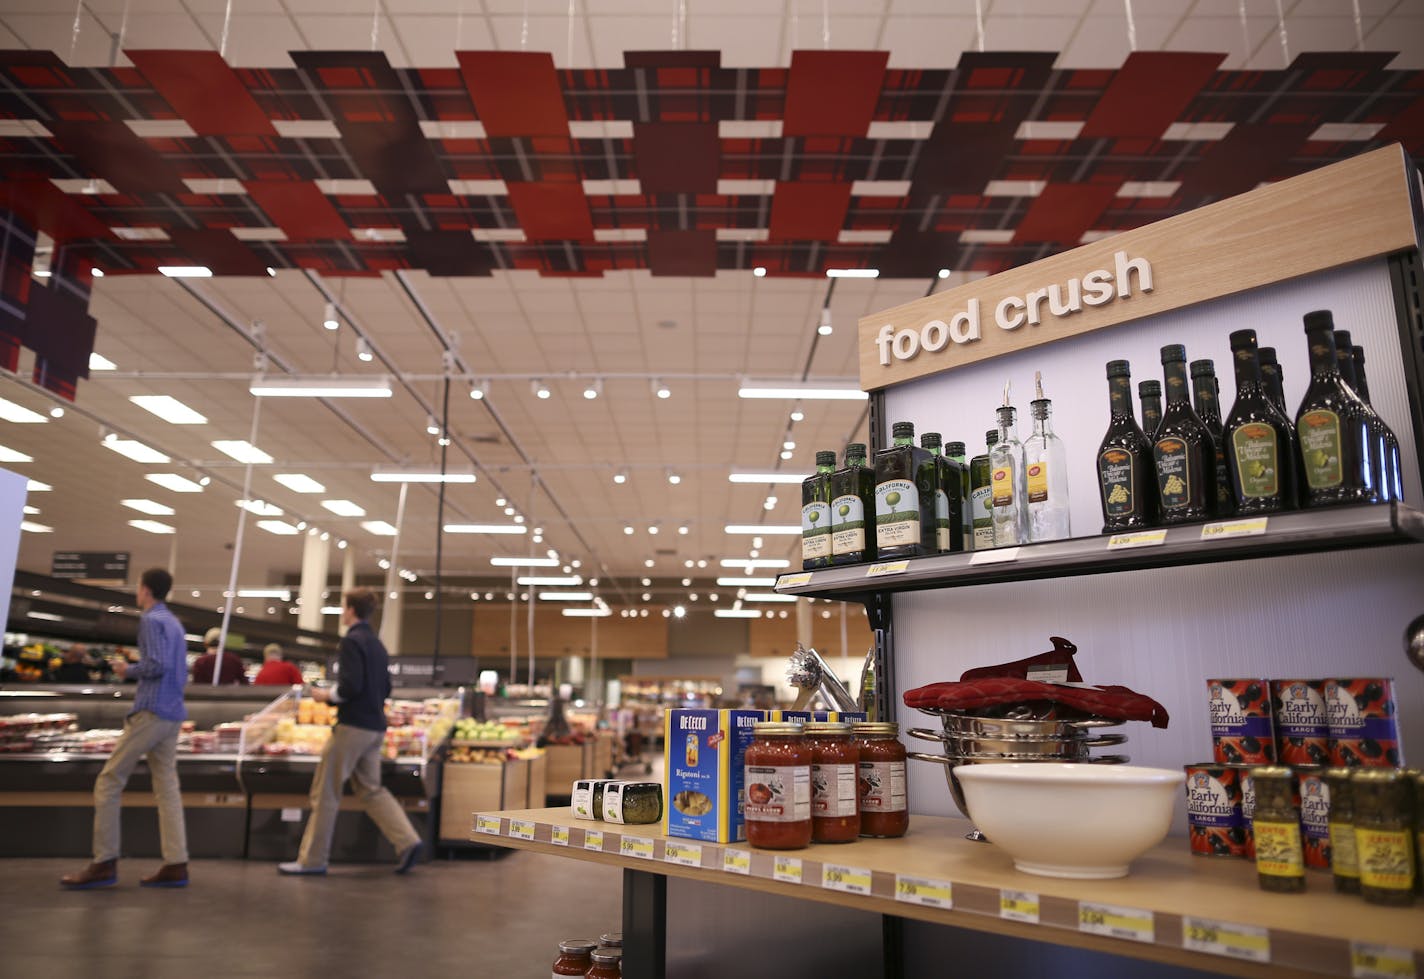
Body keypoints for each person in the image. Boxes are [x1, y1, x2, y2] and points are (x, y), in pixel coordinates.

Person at [61, 568, 190, 889]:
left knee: (109, 780)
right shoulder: (174, 623)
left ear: (145, 590)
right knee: (167, 787)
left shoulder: (150, 620)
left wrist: (127, 669)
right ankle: (177, 863)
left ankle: (104, 861)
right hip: (173, 713)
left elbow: (156, 665)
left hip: (151, 711)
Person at [279, 588, 422, 876]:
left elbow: (350, 686)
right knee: (372, 790)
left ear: (351, 610)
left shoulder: (352, 642)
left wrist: (325, 696)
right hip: (375, 727)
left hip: (352, 726)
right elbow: (387, 688)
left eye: (343, 607)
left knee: (326, 792)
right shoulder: (378, 645)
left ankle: (313, 860)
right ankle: (408, 840)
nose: (342, 612)